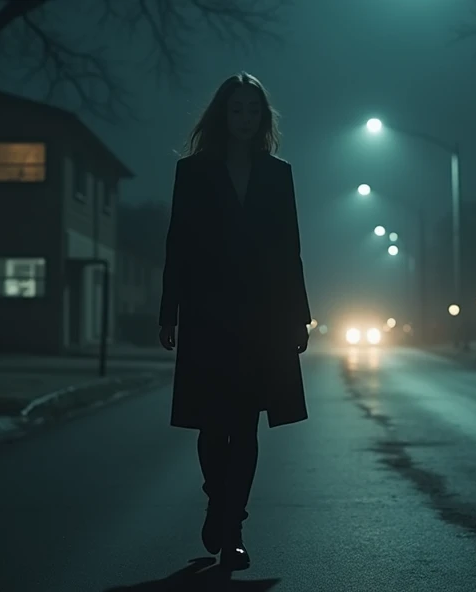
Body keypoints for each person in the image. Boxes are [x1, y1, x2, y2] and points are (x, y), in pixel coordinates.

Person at [157, 72, 312, 571]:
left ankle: (233, 529)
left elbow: (291, 249)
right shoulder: (194, 172)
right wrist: (169, 312)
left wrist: (298, 317)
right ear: (222, 115)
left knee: (245, 428)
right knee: (212, 425)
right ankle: (217, 503)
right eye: (236, 109)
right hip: (206, 315)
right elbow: (177, 243)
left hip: (262, 320)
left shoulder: (278, 173)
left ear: (263, 119)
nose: (245, 119)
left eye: (253, 110)